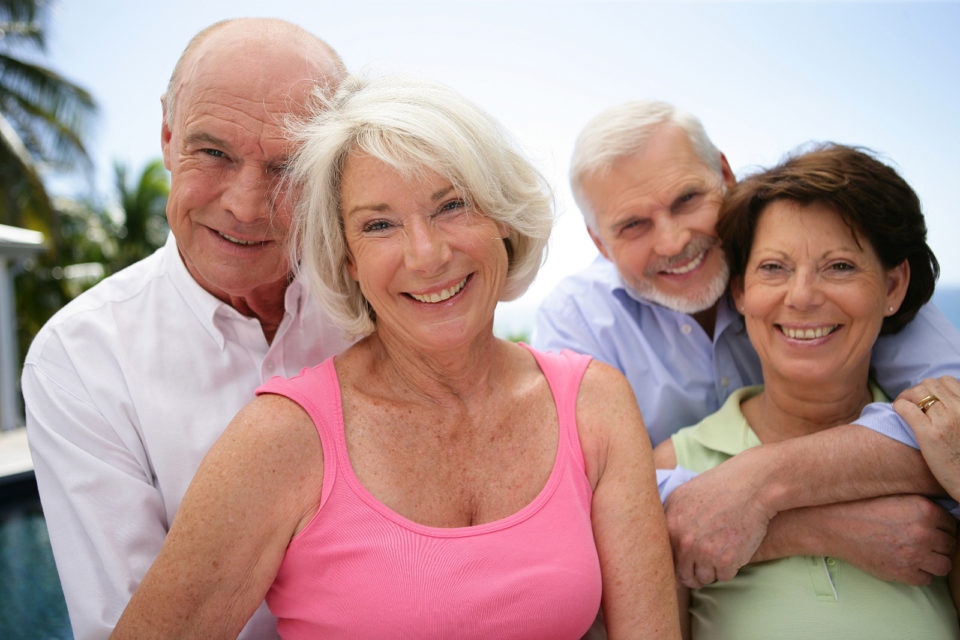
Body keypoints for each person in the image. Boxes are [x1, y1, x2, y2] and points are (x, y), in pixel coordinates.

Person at [109, 74, 680, 639]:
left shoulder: (594, 404)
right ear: (348, 258)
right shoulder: (282, 437)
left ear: (502, 218)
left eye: (452, 206)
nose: (426, 254)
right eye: (379, 225)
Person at [534, 100, 960, 587]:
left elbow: (953, 411)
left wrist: (762, 478)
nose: (673, 242)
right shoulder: (576, 323)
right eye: (633, 225)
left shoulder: (812, 254)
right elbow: (577, 504)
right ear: (598, 242)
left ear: (724, 173)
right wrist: (808, 527)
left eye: (687, 199)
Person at [22, 19, 351, 640]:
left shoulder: (373, 307)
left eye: (288, 167)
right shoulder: (81, 359)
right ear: (168, 137)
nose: (246, 205)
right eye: (214, 152)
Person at [654, 143, 959, 639]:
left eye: (839, 265)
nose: (802, 296)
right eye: (773, 268)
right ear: (741, 294)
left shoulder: (942, 440)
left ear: (894, 286)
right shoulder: (673, 466)